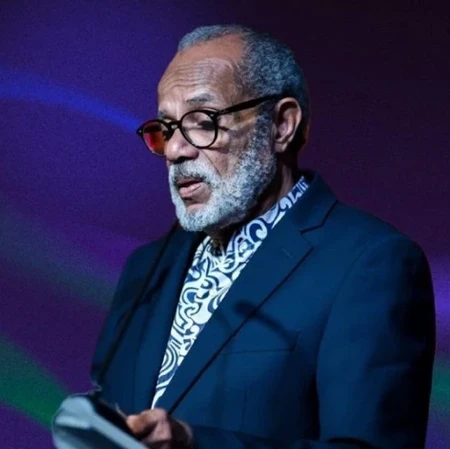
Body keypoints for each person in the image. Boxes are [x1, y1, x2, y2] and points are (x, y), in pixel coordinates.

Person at [91, 25, 435, 449]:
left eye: (203, 122)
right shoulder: (146, 269)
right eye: (166, 127)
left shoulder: (370, 264)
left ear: (282, 125)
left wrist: (194, 444)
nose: (176, 150)